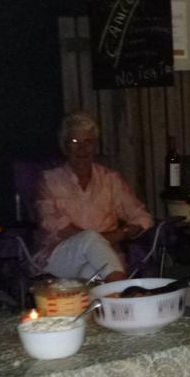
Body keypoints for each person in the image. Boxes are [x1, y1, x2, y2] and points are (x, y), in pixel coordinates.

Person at [34, 111, 153, 282]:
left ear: (95, 146)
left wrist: (121, 233)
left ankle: (113, 294)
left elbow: (142, 217)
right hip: (61, 257)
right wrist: (98, 240)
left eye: (88, 142)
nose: (82, 149)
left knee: (92, 272)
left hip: (104, 258)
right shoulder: (49, 180)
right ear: (64, 147)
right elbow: (53, 224)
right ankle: (125, 291)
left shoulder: (111, 179)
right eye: (75, 142)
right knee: (90, 238)